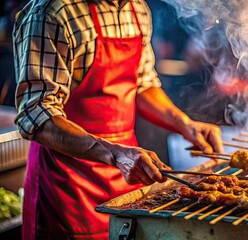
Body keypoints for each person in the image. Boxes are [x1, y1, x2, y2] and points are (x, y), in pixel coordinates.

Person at [13, 0, 223, 239]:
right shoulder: (52, 13)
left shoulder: (137, 8)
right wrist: (116, 154)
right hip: (66, 184)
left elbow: (142, 84)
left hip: (125, 173)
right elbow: (37, 113)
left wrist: (185, 124)